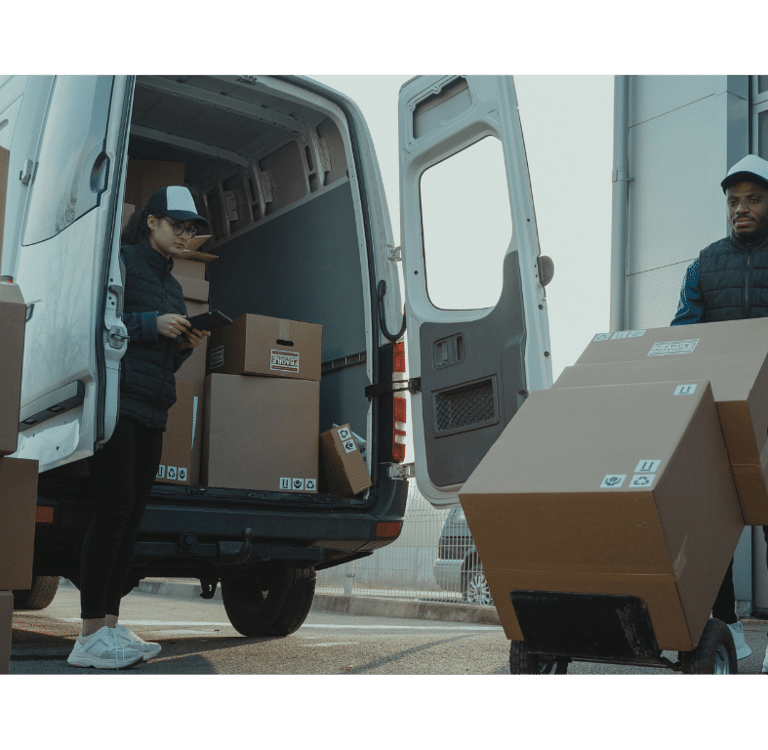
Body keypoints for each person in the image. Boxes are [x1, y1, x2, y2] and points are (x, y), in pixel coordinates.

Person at [67, 186, 211, 669]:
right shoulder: (122, 262)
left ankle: (108, 625)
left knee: (131, 517)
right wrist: (153, 324)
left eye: (191, 230)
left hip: (152, 408)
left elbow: (164, 361)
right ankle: (88, 636)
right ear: (151, 222)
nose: (185, 236)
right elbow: (95, 323)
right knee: (111, 511)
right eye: (177, 226)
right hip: (117, 403)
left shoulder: (173, 285)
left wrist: (186, 340)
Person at [671, 152, 768, 671]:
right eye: (734, 201)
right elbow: (685, 332)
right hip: (719, 412)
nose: (741, 209)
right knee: (717, 525)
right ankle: (728, 626)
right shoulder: (705, 263)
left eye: (753, 199)